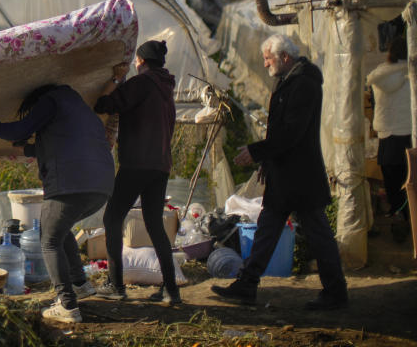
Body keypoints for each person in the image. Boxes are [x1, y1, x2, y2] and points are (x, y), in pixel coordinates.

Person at [212, 34, 348, 310]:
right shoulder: (289, 82)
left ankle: (336, 292)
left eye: (268, 59)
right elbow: (281, 131)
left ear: (284, 57)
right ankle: (247, 284)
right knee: (267, 230)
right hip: (285, 175)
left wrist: (258, 151)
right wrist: (266, 162)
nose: (265, 64)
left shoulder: (305, 85)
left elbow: (291, 132)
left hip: (301, 177)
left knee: (318, 235)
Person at [0, 84, 114, 324]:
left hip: (72, 183)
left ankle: (67, 304)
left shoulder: (51, 101)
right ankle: (80, 284)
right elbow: (64, 146)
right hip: (101, 185)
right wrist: (26, 148)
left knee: (48, 239)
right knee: (60, 227)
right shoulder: (81, 111)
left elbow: (20, 129)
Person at [92, 40, 181, 305]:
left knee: (112, 218)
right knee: (154, 225)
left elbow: (105, 104)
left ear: (140, 61)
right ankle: (171, 290)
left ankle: (116, 284)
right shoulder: (166, 90)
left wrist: (116, 80)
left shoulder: (142, 83)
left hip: (137, 164)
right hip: (160, 166)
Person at [366, 37, 412, 222]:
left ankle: (397, 213)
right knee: (410, 179)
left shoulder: (380, 74)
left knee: (392, 181)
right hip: (409, 133)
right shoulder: (412, 74)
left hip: (386, 134)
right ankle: (410, 215)